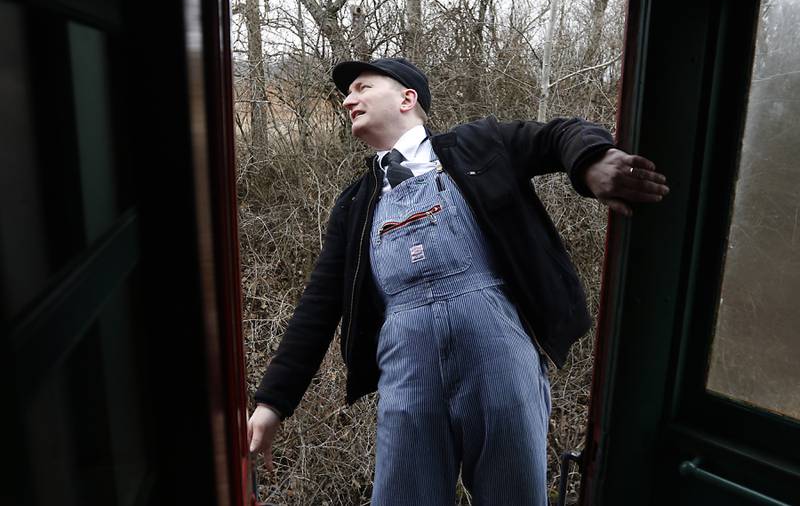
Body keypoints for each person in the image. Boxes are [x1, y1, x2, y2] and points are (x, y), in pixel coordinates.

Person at [247, 58, 668, 505]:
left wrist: (592, 163)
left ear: (407, 98)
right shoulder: (354, 206)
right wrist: (274, 402)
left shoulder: (478, 147)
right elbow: (318, 305)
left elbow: (557, 135)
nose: (348, 100)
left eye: (361, 88)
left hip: (500, 357)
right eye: (347, 95)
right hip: (407, 378)